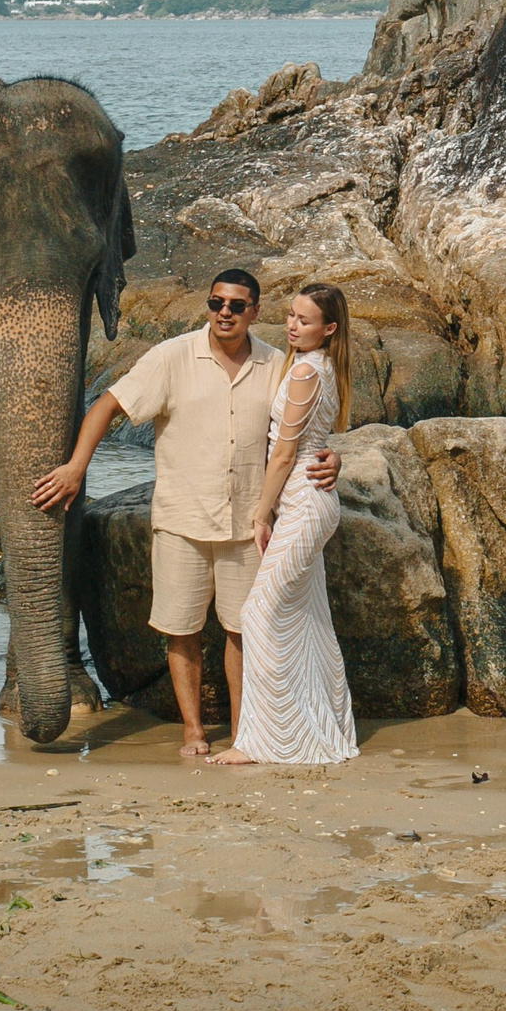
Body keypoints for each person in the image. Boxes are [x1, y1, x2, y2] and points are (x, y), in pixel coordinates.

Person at [33, 270, 338, 757]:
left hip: (248, 526)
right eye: (217, 302)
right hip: (181, 520)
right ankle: (193, 731)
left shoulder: (279, 364)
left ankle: (244, 734)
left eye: (237, 305)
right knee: (182, 630)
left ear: (255, 312)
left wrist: (330, 457)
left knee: (246, 632)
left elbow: (300, 431)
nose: (225, 312)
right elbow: (106, 406)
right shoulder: (172, 357)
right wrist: (74, 468)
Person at [214, 282, 358, 767]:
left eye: (305, 320)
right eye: (291, 316)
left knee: (258, 614)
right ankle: (317, 725)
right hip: (310, 502)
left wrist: (260, 513)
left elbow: (284, 452)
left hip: (302, 505)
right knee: (307, 619)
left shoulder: (303, 371)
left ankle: (263, 740)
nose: (292, 325)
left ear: (329, 328)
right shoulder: (323, 366)